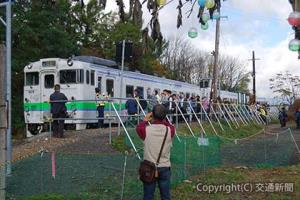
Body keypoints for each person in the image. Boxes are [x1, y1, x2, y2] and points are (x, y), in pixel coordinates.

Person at [136, 104, 175, 200]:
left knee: (148, 195)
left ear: (152, 115)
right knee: (165, 196)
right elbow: (169, 125)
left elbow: (139, 127)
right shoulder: (170, 130)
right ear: (165, 116)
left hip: (149, 167)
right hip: (165, 167)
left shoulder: (145, 130)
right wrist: (163, 119)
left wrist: (145, 120)